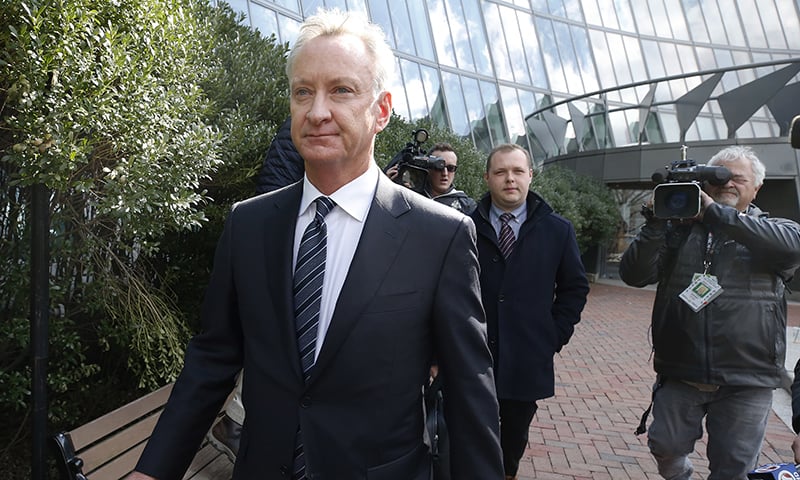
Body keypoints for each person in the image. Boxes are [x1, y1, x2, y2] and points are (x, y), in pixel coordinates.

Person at [128, 9, 503, 480]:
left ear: (381, 110)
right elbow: (214, 356)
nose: (317, 110)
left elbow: (469, 389)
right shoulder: (249, 224)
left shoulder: (440, 235)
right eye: (303, 92)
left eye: (341, 90)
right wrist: (154, 469)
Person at [619, 145, 800, 479]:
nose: (726, 184)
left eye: (737, 179)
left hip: (748, 378)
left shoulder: (776, 230)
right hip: (681, 370)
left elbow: (792, 247)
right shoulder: (678, 229)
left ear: (757, 187)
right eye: (716, 178)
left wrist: (716, 214)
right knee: (665, 446)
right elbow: (634, 274)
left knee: (733, 469)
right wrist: (656, 223)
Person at [469, 143, 589, 480]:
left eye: (518, 171)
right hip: (473, 354)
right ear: (487, 177)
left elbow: (574, 288)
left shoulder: (557, 229)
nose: (510, 179)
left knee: (513, 439)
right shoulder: (463, 226)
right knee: (470, 435)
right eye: (501, 172)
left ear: (530, 175)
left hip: (527, 356)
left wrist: (552, 336)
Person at [207, 116, 305, 460]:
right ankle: (233, 423)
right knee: (278, 338)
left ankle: (237, 423)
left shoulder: (300, 130)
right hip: (282, 241)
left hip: (282, 237)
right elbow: (278, 191)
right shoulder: (302, 131)